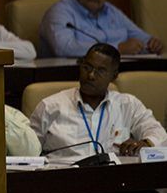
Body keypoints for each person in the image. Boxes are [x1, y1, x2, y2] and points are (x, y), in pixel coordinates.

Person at [30, 43, 167, 158]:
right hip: (64, 182)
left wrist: (146, 143)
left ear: (114, 75)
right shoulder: (50, 106)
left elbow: (158, 133)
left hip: (115, 182)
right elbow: (27, 150)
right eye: (87, 67)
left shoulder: (127, 105)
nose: (90, 75)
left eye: (100, 71)